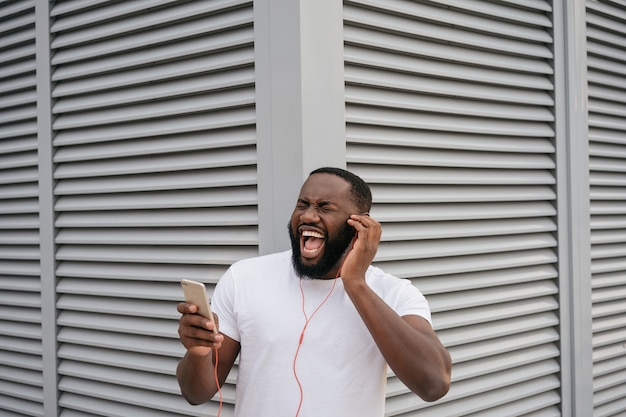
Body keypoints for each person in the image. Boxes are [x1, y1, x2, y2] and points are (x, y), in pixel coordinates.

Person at [177, 167, 451, 417]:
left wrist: (354, 283)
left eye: (324, 207)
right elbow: (196, 394)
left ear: (360, 225)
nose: (308, 215)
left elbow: (433, 384)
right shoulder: (244, 277)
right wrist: (199, 354)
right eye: (302, 204)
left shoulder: (395, 293)